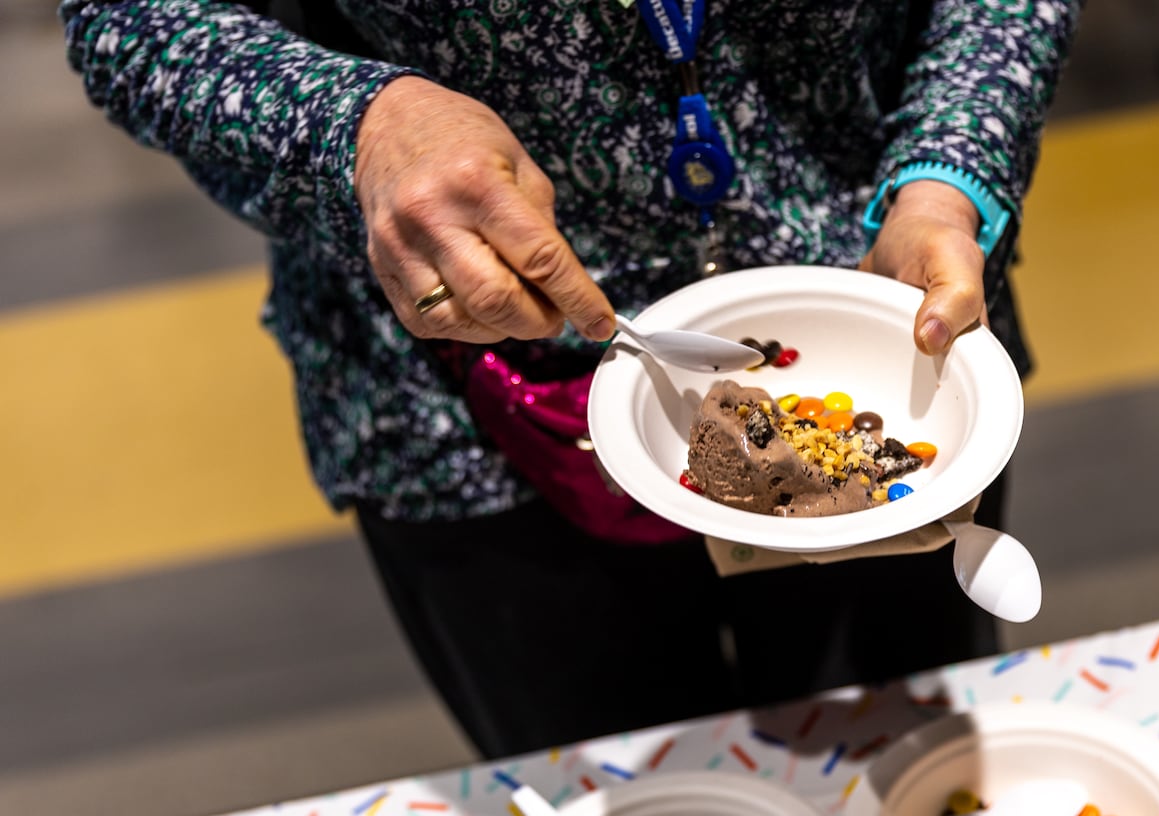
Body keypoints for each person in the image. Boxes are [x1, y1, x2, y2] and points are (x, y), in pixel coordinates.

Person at [60, 0, 1082, 759]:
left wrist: (953, 163)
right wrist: (361, 126)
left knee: (901, 788)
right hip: (471, 396)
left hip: (879, 339)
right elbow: (129, 18)